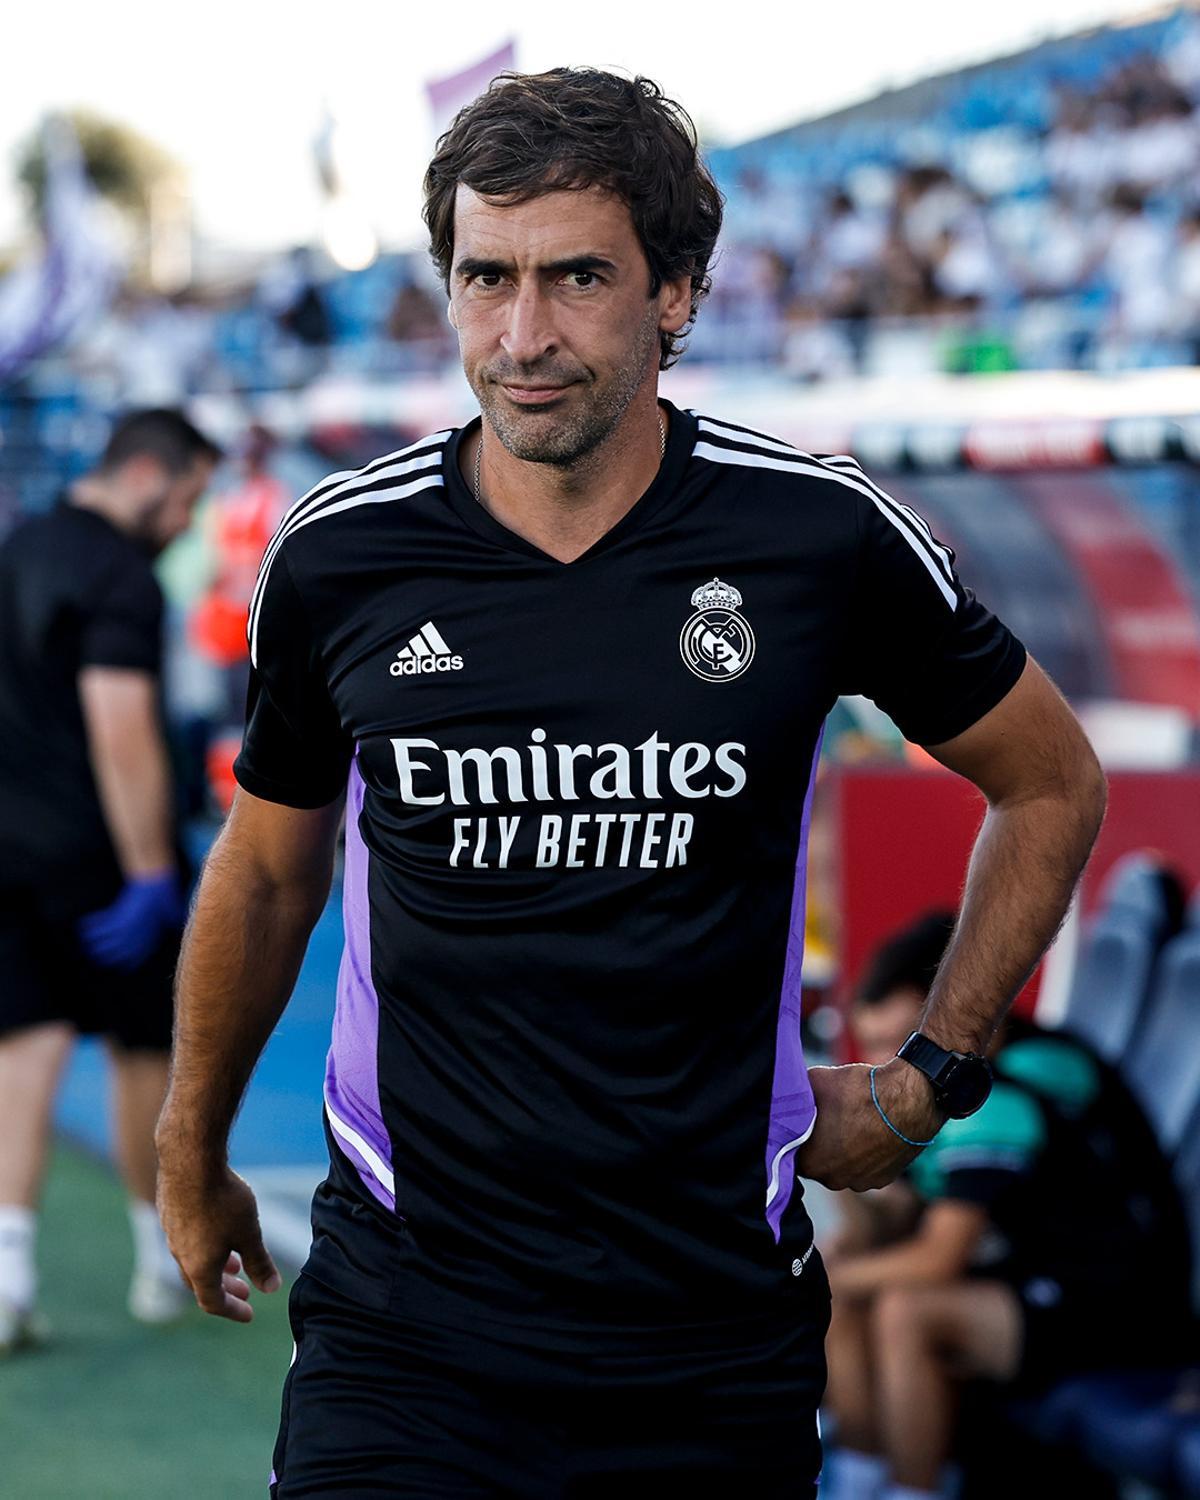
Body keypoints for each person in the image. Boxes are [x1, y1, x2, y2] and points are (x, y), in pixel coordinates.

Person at [156, 68, 1107, 1499]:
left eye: (577, 278)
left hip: (704, 1331)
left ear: (677, 290)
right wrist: (191, 1143)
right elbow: (273, 865)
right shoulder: (341, 555)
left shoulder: (818, 535)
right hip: (407, 1321)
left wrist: (931, 1079)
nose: (522, 335)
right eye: (486, 279)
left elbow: (1050, 783)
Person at [823, 912, 1196, 1500]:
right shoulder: (970, 1082)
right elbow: (906, 1212)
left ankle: (908, 1492)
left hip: (1121, 1310)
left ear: (943, 1017)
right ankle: (857, 1479)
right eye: (867, 1048)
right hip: (1040, 1279)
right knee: (855, 1282)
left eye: (894, 1048)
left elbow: (937, 1259)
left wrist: (832, 1275)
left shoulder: (1001, 1093)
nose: (879, 1070)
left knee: (902, 1309)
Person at [0, 408, 220, 1351]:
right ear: (144, 474)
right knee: (146, 1054)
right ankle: (161, 1262)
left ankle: (7, 1272)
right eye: (188, 498)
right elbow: (119, 727)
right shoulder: (122, 576)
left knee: (24, 1049)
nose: (186, 521)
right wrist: (145, 874)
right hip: (103, 859)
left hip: (7, 851)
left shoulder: (19, 545)